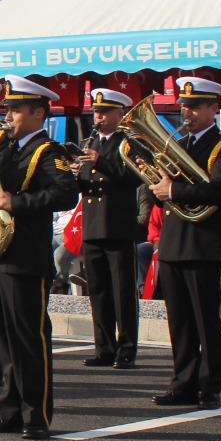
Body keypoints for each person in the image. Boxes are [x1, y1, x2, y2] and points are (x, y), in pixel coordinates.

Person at [0, 76, 79, 441]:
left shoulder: (49, 151)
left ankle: (37, 414)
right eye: (8, 109)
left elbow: (65, 194)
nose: (10, 115)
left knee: (29, 338)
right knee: (3, 338)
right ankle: (10, 409)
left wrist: (15, 202)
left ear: (38, 112)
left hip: (26, 257)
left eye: (17, 109)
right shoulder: (1, 143)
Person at [149, 77, 221, 410]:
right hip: (174, 243)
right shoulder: (179, 144)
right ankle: (182, 383)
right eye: (184, 106)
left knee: (208, 320)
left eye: (194, 106)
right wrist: (159, 186)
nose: (186, 112)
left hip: (205, 244)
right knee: (180, 321)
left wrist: (173, 191)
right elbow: (161, 190)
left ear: (213, 108)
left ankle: (209, 386)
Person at [72, 88, 143, 368]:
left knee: (122, 292)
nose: (98, 117)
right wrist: (73, 174)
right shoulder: (90, 144)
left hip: (117, 225)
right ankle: (104, 347)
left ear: (119, 114)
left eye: (104, 113)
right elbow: (84, 186)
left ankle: (127, 348)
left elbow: (133, 177)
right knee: (98, 291)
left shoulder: (128, 143)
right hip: (92, 225)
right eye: (96, 113)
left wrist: (100, 161)